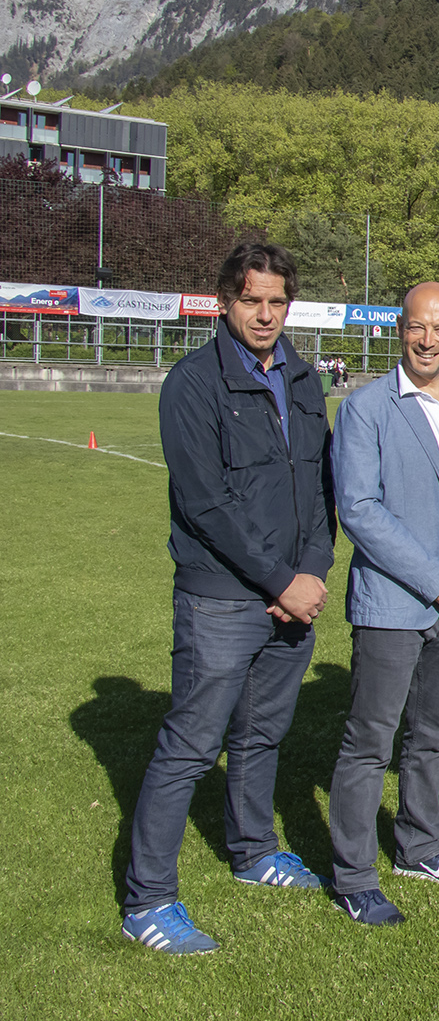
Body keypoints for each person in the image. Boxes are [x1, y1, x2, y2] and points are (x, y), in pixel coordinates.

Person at [122, 243, 336, 954]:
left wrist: (309, 571)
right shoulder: (193, 383)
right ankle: (148, 898)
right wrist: (280, 581)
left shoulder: (304, 379)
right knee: (191, 743)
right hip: (222, 597)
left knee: (261, 733)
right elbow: (205, 504)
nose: (266, 314)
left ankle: (253, 850)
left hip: (292, 594)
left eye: (277, 301)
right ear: (224, 301)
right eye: (252, 300)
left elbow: (319, 488)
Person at [326, 283, 439, 926]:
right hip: (394, 604)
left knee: (434, 738)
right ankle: (352, 875)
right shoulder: (367, 407)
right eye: (417, 328)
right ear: (400, 330)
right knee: (370, 742)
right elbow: (361, 511)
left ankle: (418, 849)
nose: (428, 340)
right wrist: (437, 580)